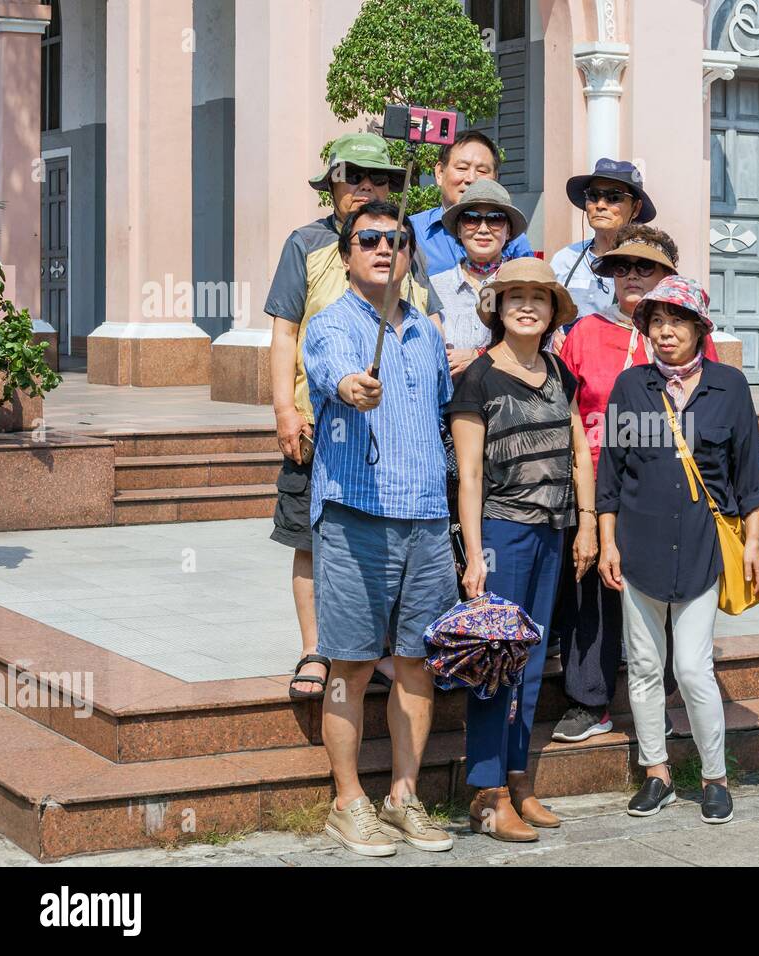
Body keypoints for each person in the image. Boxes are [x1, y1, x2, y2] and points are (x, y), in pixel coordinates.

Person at [303, 200, 457, 857]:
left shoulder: (424, 330)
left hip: (425, 516)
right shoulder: (332, 324)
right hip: (356, 515)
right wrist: (351, 387)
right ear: (346, 255)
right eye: (368, 239)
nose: (383, 248)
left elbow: (449, 411)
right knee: (354, 664)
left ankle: (403, 797)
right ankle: (347, 803)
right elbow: (334, 371)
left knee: (418, 664)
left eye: (396, 240)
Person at [596, 275, 759, 827]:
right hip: (638, 546)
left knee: (693, 669)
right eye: (655, 322)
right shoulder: (631, 387)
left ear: (699, 329)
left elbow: (751, 474)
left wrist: (753, 546)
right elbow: (611, 472)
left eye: (677, 322)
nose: (665, 332)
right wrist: (606, 542)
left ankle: (715, 778)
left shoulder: (729, 386)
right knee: (645, 666)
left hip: (702, 549)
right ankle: (657, 774)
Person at [266, 133, 434, 700]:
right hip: (320, 420)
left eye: (381, 177)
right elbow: (285, 330)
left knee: (386, 543)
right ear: (332, 184)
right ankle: (316, 648)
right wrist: (286, 408)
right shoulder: (308, 244)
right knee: (310, 538)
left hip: (394, 436)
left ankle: (378, 649)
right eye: (354, 175)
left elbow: (427, 318)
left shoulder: (401, 241)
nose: (368, 186)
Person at [449, 257, 598, 842]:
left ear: (553, 310)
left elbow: (579, 452)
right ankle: (485, 794)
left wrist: (585, 523)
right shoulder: (479, 379)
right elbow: (468, 478)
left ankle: (517, 779)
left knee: (533, 662)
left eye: (539, 298)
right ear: (498, 309)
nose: (527, 306)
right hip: (503, 533)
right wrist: (475, 555)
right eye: (516, 298)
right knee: (497, 661)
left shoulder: (560, 372)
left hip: (553, 532)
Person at [549, 225, 717, 743]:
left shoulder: (686, 334)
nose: (632, 277)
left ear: (669, 275)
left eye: (645, 268)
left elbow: (710, 409)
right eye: (622, 268)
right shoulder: (585, 332)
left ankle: (661, 702)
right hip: (593, 475)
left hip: (664, 485)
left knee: (665, 589)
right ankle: (589, 699)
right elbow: (568, 410)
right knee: (592, 590)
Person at [427, 178, 528, 381]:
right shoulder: (433, 287)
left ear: (508, 231)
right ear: (458, 229)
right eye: (472, 218)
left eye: (495, 219)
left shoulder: (526, 285)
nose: (483, 229)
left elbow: (542, 348)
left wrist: (478, 356)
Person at [549, 158, 657, 326]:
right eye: (593, 196)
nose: (600, 205)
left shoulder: (650, 265)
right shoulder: (564, 260)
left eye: (614, 197)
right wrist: (553, 333)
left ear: (635, 208)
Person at [409, 130, 534, 274]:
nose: (471, 179)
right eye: (462, 168)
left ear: (495, 178)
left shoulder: (515, 240)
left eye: (482, 171)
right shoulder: (412, 232)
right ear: (440, 173)